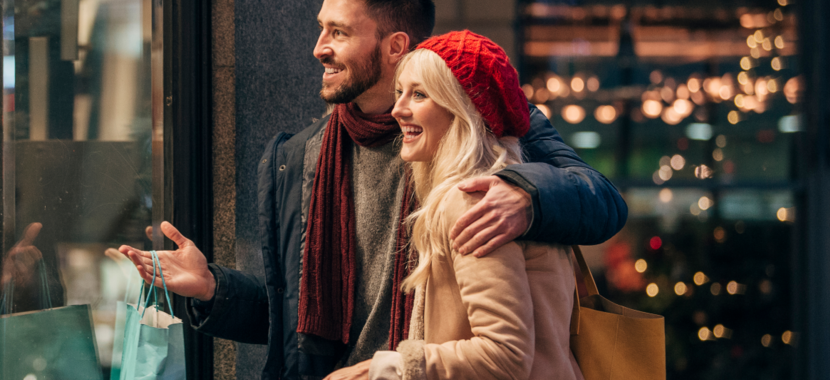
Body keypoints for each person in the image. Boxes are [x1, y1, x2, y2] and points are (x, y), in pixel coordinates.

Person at [120, 0, 627, 378]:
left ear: (394, 46)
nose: (319, 47)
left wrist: (524, 193)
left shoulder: (489, 127)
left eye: (338, 32)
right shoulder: (297, 158)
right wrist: (213, 288)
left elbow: (601, 199)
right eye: (321, 28)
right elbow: (295, 324)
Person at [334, 30, 582, 380]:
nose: (399, 109)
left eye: (419, 95)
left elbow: (505, 356)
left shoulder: (473, 199)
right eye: (399, 92)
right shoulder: (511, 190)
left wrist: (388, 368)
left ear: (462, 109)